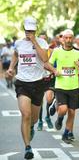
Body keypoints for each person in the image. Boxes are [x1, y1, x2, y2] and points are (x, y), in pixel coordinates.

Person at [7, 17, 49, 159]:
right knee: (26, 114)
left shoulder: (42, 42)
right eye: (27, 30)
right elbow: (15, 55)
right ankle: (27, 147)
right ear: (23, 28)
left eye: (31, 30)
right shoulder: (18, 43)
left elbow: (44, 58)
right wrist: (11, 68)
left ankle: (31, 127)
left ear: (35, 29)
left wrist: (34, 41)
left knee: (34, 118)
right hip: (22, 82)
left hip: (38, 83)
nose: (28, 32)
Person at [48, 29, 79, 144]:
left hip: (74, 86)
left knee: (72, 112)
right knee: (63, 109)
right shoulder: (56, 51)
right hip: (60, 85)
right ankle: (59, 119)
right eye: (66, 38)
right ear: (63, 39)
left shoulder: (78, 52)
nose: (68, 40)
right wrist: (54, 70)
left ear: (73, 39)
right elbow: (48, 64)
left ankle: (66, 133)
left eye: (70, 38)